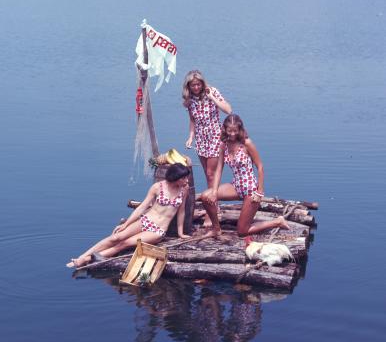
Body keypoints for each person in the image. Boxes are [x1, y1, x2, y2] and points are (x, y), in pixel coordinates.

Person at [66, 164, 191, 268]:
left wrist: (180, 233)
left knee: (124, 243)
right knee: (116, 237)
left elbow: (181, 211)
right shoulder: (158, 187)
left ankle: (85, 260)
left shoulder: (184, 190)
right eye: (184, 178)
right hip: (146, 220)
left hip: (158, 230)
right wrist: (126, 224)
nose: (186, 180)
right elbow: (141, 207)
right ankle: (82, 256)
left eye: (187, 177)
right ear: (175, 177)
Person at [201, 114, 290, 236]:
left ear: (240, 130)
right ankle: (216, 229)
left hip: (250, 190)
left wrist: (259, 192)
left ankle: (277, 221)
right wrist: (215, 191)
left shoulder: (246, 144)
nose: (232, 134)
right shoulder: (223, 145)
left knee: (242, 231)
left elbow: (260, 167)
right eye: (229, 131)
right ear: (225, 129)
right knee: (206, 196)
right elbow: (219, 169)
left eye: (235, 131)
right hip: (236, 186)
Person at [182, 70, 232, 225]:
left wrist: (212, 98)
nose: (196, 87)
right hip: (201, 138)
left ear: (202, 83)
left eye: (198, 84)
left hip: (215, 136)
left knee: (211, 174)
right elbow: (192, 120)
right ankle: (213, 206)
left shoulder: (212, 91)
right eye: (193, 85)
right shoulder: (190, 99)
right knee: (207, 174)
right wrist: (191, 136)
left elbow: (228, 110)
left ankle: (211, 212)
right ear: (188, 86)